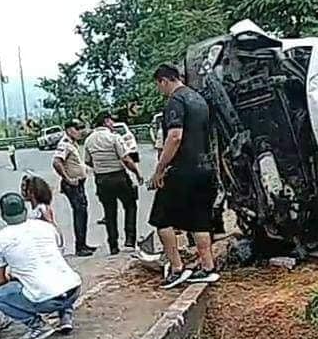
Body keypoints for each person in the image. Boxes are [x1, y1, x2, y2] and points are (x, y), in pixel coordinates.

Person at [149, 64, 219, 289]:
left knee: (161, 220)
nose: (161, 90)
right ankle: (208, 268)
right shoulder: (199, 100)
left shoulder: (175, 101)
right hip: (205, 168)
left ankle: (177, 268)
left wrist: (160, 169)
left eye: (159, 86)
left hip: (183, 169)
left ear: (163, 81)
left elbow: (175, 136)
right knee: (200, 220)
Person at [0, 192, 82, 339]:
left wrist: (17, 279)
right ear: (25, 211)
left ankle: (37, 326)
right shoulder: (46, 226)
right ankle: (65, 316)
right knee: (55, 273)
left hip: (46, 300)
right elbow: (57, 253)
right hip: (73, 289)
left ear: (3, 215)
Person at [84, 111, 143, 255]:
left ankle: (113, 245)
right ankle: (130, 239)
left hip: (102, 180)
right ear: (105, 122)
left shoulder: (89, 140)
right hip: (119, 176)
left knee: (109, 213)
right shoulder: (114, 138)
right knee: (130, 206)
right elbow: (126, 159)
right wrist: (137, 173)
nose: (113, 124)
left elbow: (87, 161)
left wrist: (100, 166)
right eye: (111, 121)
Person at [52, 119, 96, 257]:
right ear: (70, 130)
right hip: (73, 185)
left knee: (82, 213)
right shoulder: (64, 144)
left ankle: (83, 243)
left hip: (78, 183)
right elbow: (56, 162)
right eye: (77, 129)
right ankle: (80, 247)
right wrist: (68, 178)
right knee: (80, 213)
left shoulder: (73, 144)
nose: (80, 131)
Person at [21, 174, 66, 251]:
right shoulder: (33, 208)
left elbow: (50, 225)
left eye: (25, 189)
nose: (23, 192)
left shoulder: (41, 209)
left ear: (32, 192)